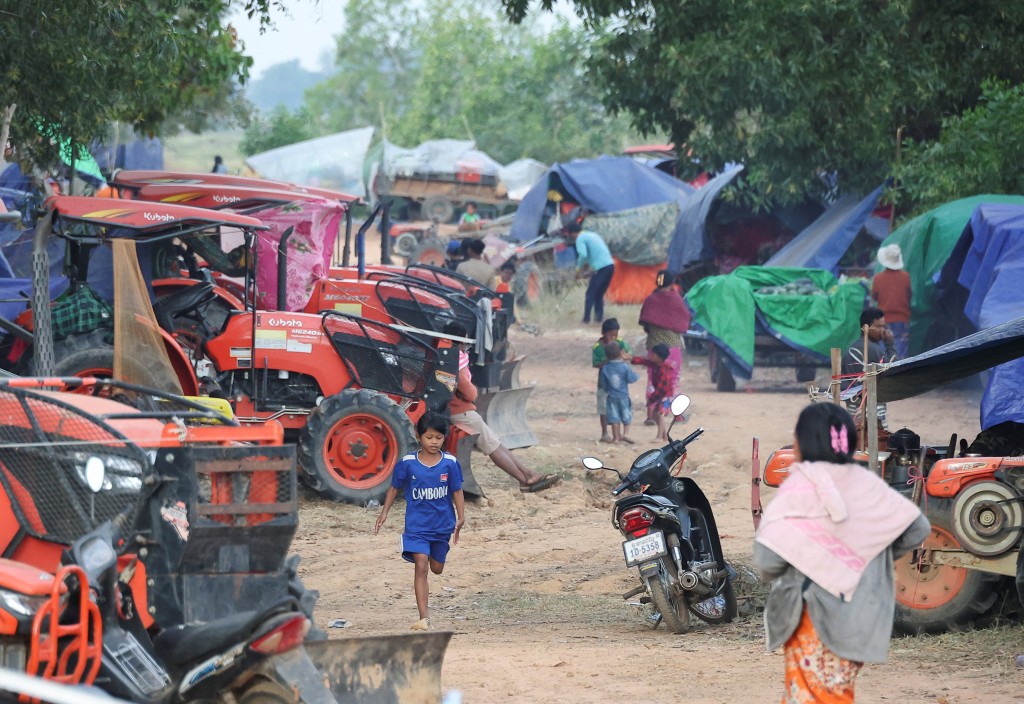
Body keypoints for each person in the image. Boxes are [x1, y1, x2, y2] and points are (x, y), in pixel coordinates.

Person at [753, 403, 930, 702]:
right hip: (862, 614)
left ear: (804, 441)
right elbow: (917, 529)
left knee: (816, 696)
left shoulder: (801, 487)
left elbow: (768, 562)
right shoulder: (867, 483)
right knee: (827, 693)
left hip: (816, 616)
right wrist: (862, 554)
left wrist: (820, 559)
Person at [375, 412, 466, 631]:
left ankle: (438, 555)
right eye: (429, 437)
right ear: (419, 436)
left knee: (437, 568)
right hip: (416, 527)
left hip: (442, 526)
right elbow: (394, 487)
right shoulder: (407, 464)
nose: (434, 442)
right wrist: (384, 511)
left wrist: (461, 516)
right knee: (421, 565)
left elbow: (457, 490)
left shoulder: (450, 464)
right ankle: (424, 617)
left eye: (439, 437)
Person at [444, 321, 559, 493]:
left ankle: (528, 474)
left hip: (459, 409)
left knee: (496, 444)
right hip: (461, 411)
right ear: (459, 341)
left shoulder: (442, 355)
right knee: (493, 447)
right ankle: (524, 479)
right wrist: (474, 394)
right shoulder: (455, 358)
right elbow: (468, 390)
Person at [638, 269, 689, 425]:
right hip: (672, 347)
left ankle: (651, 415)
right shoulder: (676, 299)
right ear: (672, 282)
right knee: (672, 381)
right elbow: (684, 322)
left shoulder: (650, 299)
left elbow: (645, 323)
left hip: (653, 345)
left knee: (653, 380)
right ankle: (676, 414)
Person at [841, 307, 896, 431]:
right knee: (877, 441)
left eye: (883, 326)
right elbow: (893, 369)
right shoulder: (875, 351)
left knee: (855, 442)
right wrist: (890, 344)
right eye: (879, 327)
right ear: (866, 327)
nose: (883, 330)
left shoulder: (850, 349)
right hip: (874, 410)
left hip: (853, 410)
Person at [563, 207, 614, 325]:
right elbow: (596, 254)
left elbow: (583, 255)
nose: (571, 237)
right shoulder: (592, 235)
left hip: (601, 268)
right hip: (610, 266)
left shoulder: (580, 238)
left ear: (572, 233)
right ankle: (598, 319)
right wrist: (588, 270)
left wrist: (578, 270)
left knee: (590, 293)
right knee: (599, 294)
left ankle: (586, 319)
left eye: (570, 235)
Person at [592, 318, 632, 443]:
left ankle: (618, 435)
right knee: (603, 407)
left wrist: (623, 356)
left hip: (619, 383)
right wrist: (609, 360)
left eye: (616, 335)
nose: (613, 337)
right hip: (604, 383)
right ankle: (604, 433)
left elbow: (629, 354)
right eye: (611, 335)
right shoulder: (598, 347)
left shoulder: (620, 342)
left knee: (619, 407)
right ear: (604, 333)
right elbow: (595, 363)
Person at [872, 244, 912, 359]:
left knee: (884, 351)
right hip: (902, 320)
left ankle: (884, 374)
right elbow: (908, 296)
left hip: (883, 321)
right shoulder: (906, 277)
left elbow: (875, 296)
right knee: (900, 353)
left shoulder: (878, 278)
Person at [631, 343, 674, 442]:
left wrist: (651, 399)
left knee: (660, 414)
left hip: (665, 395)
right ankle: (664, 435)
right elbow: (644, 361)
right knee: (655, 415)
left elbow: (661, 389)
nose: (650, 356)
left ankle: (659, 436)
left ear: (659, 357)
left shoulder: (664, 370)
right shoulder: (656, 364)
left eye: (653, 355)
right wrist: (631, 358)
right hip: (660, 395)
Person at [598, 343, 639, 444]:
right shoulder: (625, 367)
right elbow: (631, 379)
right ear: (620, 353)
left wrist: (608, 390)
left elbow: (603, 384)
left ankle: (615, 438)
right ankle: (625, 434)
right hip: (624, 396)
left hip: (611, 396)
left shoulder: (605, 368)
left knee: (614, 418)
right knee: (626, 416)